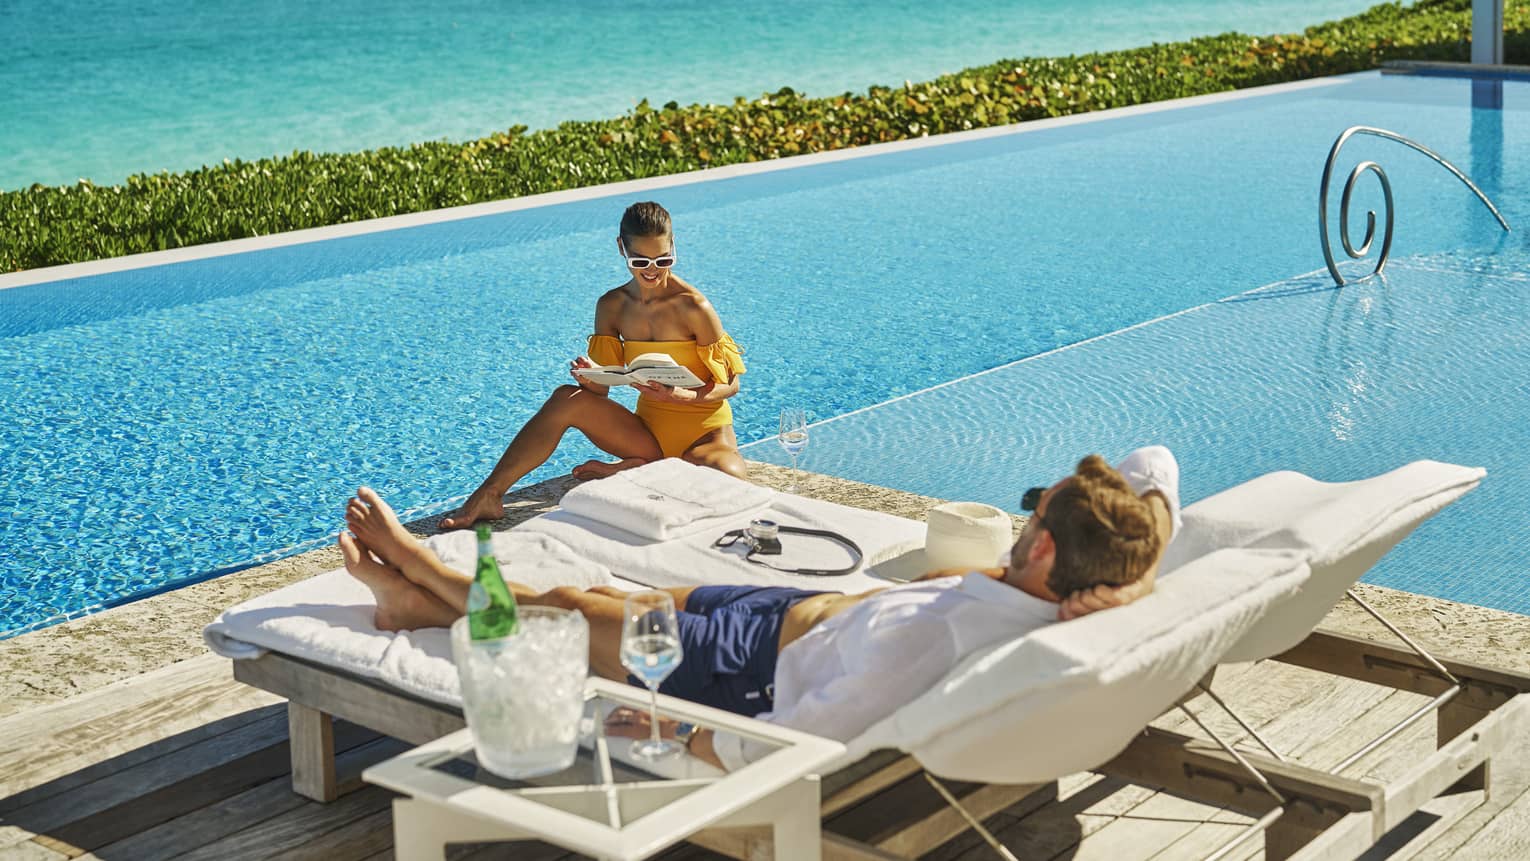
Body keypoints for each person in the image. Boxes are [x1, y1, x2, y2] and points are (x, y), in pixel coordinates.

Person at [341, 446, 1181, 770]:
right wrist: (1136, 574)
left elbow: (805, 738)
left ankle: (418, 570)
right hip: (786, 612)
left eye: (1033, 514)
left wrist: (678, 734)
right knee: (610, 598)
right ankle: (419, 608)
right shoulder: (1071, 588)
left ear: (1044, 551)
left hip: (742, 668)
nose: (1023, 518)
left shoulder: (933, 644)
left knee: (564, 607)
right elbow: (1157, 466)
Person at [439, 201, 748, 529]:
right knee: (566, 398)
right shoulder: (612, 305)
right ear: (621, 248)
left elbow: (732, 384)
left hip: (705, 436)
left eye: (663, 259)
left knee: (726, 480)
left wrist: (681, 396)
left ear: (673, 246)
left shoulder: (694, 307)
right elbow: (601, 392)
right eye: (640, 261)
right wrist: (590, 379)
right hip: (648, 435)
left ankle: (634, 469)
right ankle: (489, 494)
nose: (652, 270)